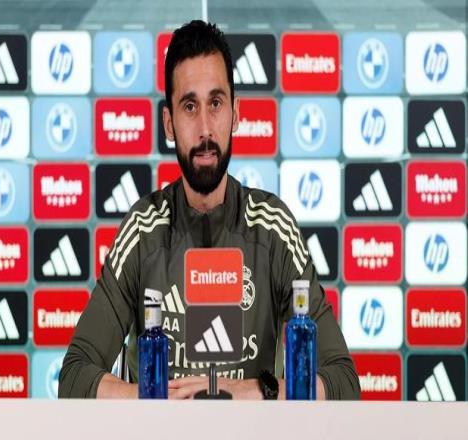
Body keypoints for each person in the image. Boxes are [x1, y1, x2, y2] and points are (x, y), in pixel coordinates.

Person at [58, 20, 360, 400]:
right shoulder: (142, 230)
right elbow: (74, 377)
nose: (204, 128)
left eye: (216, 103)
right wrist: (158, 400)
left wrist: (257, 391)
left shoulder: (272, 228)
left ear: (236, 113)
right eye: (189, 106)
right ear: (169, 123)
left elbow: (343, 381)